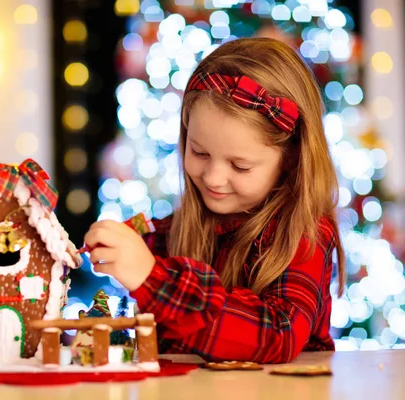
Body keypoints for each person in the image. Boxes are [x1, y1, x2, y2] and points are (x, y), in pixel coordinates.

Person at [83, 37, 346, 364]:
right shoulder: (169, 234)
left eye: (240, 165)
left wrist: (152, 279)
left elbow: (280, 335)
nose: (212, 178)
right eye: (199, 153)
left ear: (291, 158)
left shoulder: (303, 233)